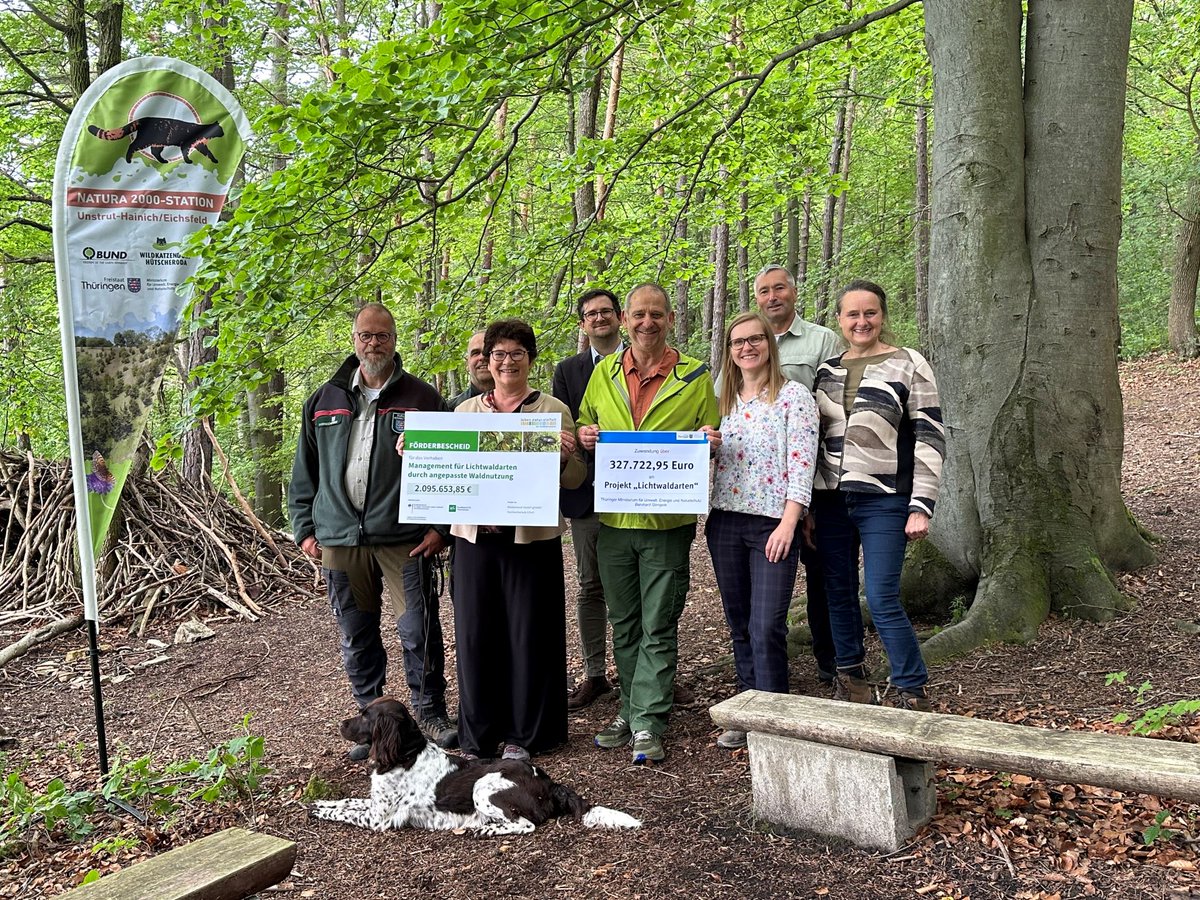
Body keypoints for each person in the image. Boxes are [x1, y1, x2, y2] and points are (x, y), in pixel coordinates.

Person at [289, 302, 457, 760]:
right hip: (341, 539)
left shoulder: (422, 398)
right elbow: (304, 472)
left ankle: (430, 714)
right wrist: (305, 528)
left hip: (404, 539)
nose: (374, 343)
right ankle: (370, 718)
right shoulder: (324, 400)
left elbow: (450, 468)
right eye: (366, 335)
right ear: (354, 339)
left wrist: (441, 527)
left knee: (417, 629)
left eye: (382, 335)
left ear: (395, 339)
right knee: (355, 633)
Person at [577, 283, 721, 765]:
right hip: (615, 519)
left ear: (670, 318)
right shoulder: (604, 374)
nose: (647, 323)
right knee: (625, 623)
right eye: (639, 314)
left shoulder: (695, 376)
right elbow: (584, 422)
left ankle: (649, 720)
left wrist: (708, 438)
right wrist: (585, 432)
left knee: (658, 623)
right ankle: (629, 708)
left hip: (667, 521)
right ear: (625, 320)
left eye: (656, 314)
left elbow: (711, 430)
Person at [436, 318, 585, 760]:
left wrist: (564, 457)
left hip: (531, 541)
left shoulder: (553, 410)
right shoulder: (463, 414)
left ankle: (529, 733)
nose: (505, 362)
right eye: (497, 354)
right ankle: (480, 733)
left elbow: (577, 481)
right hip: (475, 542)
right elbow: (444, 474)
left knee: (529, 635)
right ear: (486, 361)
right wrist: (417, 453)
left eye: (516, 353)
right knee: (476, 635)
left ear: (530, 360)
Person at [810, 280, 945, 711]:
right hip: (830, 499)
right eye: (853, 314)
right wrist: (808, 504)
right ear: (840, 320)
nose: (862, 321)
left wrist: (921, 505)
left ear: (882, 316)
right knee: (838, 590)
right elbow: (814, 440)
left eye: (870, 313)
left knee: (882, 594)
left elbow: (930, 435)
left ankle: (912, 687)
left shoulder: (908, 363)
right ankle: (850, 678)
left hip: (885, 498)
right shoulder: (826, 371)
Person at [707, 310, 819, 750]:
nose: (747, 347)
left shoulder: (793, 397)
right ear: (729, 351)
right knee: (738, 622)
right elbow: (708, 461)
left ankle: (775, 718)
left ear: (768, 345)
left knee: (767, 623)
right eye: (738, 342)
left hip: (774, 522)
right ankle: (748, 708)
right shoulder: (721, 399)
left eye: (755, 340)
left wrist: (790, 521)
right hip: (725, 522)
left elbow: (801, 462)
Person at [754, 263, 844, 688]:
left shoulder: (822, 341)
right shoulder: (747, 342)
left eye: (779, 289)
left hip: (816, 475)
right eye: (764, 291)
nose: (773, 297)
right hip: (760, 486)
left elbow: (836, 411)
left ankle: (833, 661)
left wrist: (811, 488)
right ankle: (776, 657)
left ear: (793, 292)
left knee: (821, 568)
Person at [552, 288, 622, 710]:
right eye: (591, 314)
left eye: (606, 312)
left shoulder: (645, 362)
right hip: (587, 494)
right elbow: (565, 429)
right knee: (589, 585)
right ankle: (596, 674)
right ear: (582, 324)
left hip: (640, 491)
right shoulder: (568, 371)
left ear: (621, 319)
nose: (599, 318)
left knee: (638, 587)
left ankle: (644, 673)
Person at [448, 330, 493, 409]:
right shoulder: (451, 410)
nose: (482, 357)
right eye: (476, 353)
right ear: (467, 363)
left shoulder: (520, 407)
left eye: (488, 352)